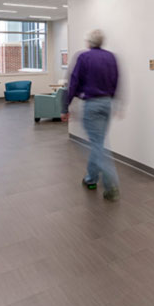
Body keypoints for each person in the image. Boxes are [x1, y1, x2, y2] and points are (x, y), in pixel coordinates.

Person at [61, 29, 121, 201]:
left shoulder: (84, 57)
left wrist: (65, 107)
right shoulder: (111, 57)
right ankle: (91, 179)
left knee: (96, 145)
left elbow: (73, 82)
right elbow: (116, 79)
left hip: (92, 105)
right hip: (107, 103)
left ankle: (111, 185)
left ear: (89, 42)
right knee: (98, 143)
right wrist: (116, 102)